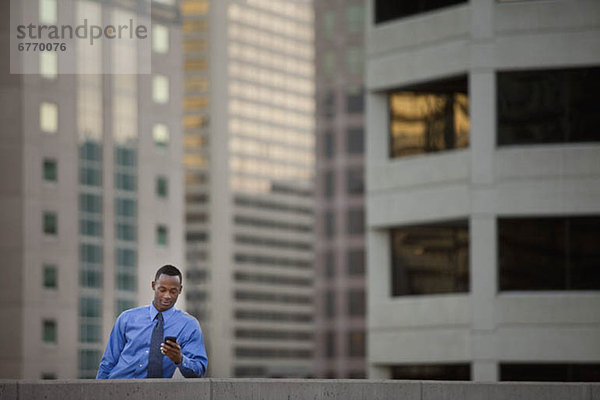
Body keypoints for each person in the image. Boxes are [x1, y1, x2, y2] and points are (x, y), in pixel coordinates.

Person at [96, 265, 208, 379]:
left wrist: (180, 359)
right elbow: (108, 362)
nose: (167, 296)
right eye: (162, 290)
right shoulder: (127, 318)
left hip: (155, 393)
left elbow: (199, 369)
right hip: (117, 387)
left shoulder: (189, 325)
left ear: (180, 290)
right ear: (154, 286)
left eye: (173, 291)